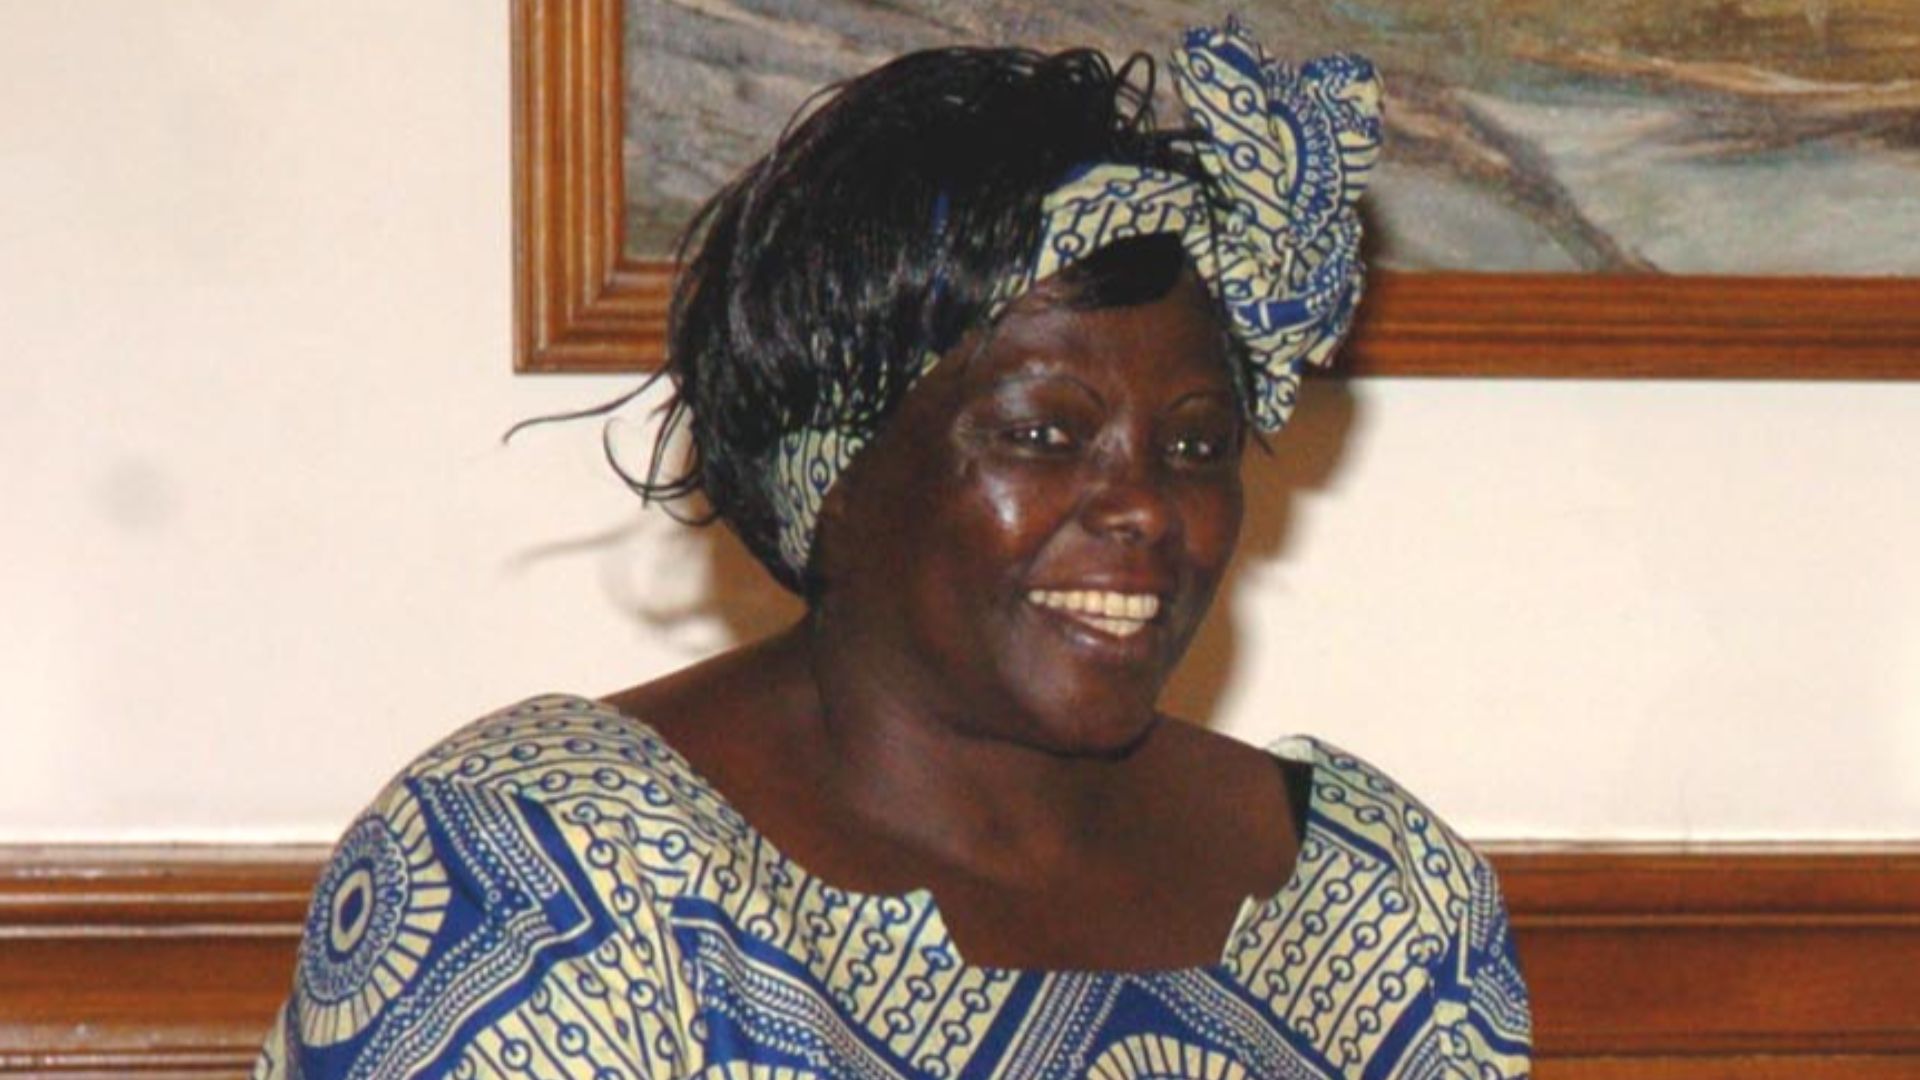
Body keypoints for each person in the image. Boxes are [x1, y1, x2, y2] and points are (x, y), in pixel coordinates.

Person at [255, 20, 1531, 1079]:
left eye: (1196, 447)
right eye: (1043, 431)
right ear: (835, 467)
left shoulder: (1383, 906)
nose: (1146, 505)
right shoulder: (549, 869)